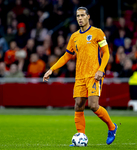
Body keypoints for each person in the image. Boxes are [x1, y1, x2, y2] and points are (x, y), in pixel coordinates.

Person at [43, 7, 117, 146]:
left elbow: (106, 52)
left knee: (94, 106)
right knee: (78, 105)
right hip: (80, 76)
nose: (80, 18)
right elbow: (67, 56)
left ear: (88, 16)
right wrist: (52, 69)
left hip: (94, 75)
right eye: (78, 16)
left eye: (82, 15)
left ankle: (112, 127)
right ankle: (81, 136)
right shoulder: (74, 36)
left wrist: (101, 70)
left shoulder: (97, 32)